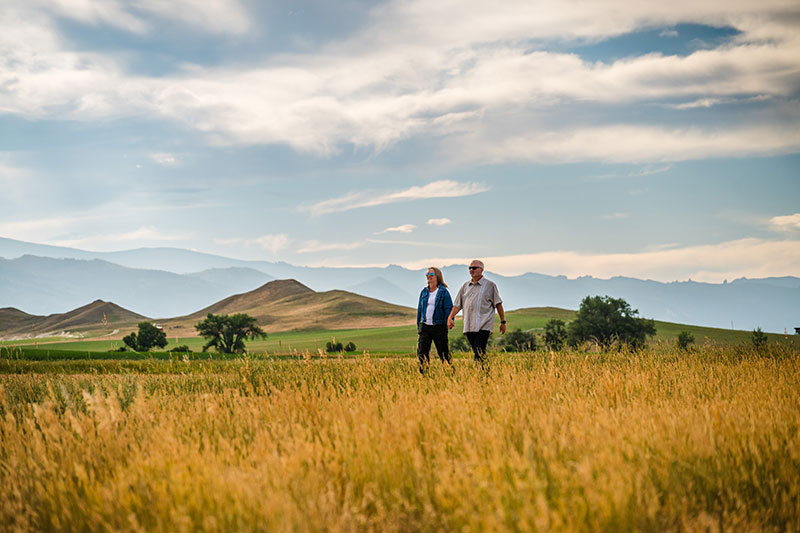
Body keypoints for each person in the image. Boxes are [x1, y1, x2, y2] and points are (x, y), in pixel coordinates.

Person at [447, 260, 506, 364]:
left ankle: (480, 374)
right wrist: (450, 317)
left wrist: (503, 322)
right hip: (469, 326)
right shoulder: (465, 286)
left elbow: (498, 304)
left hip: (484, 325)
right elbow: (457, 305)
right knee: (478, 352)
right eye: (469, 268)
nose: (471, 270)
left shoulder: (490, 285)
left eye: (474, 268)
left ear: (481, 270)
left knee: (479, 351)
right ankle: (485, 373)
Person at [416, 266, 453, 373]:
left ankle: (449, 371)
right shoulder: (424, 292)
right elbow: (420, 310)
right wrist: (419, 326)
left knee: (443, 352)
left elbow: (448, 308)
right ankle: (424, 373)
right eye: (427, 274)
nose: (428, 276)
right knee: (422, 352)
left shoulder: (443, 292)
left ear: (437, 277)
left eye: (431, 274)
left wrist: (450, 320)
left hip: (439, 326)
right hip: (425, 326)